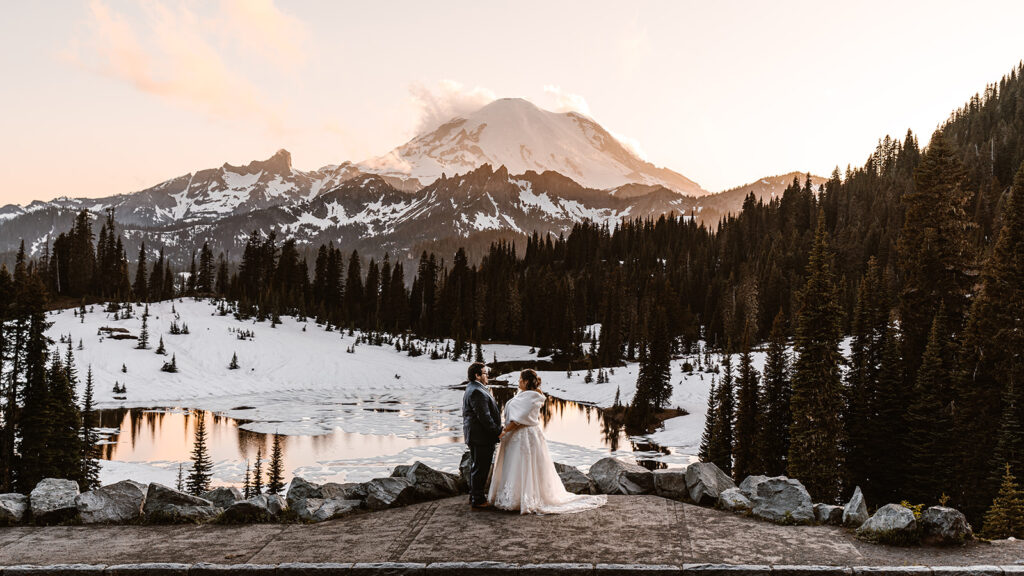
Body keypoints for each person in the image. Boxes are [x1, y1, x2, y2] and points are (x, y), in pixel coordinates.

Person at [488, 369, 607, 514]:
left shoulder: (531, 397)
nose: (518, 381)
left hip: (523, 436)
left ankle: (524, 498)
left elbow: (519, 419)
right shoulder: (527, 395)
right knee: (516, 465)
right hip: (521, 436)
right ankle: (514, 496)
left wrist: (504, 431)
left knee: (523, 464)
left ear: (526, 381)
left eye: (520, 379)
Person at [462, 361, 501, 508]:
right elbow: (484, 417)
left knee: (477, 466)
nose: (487, 376)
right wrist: (498, 431)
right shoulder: (477, 391)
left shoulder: (473, 388)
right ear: (477, 375)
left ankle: (474, 496)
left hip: (477, 436)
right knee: (480, 468)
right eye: (485, 373)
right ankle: (478, 500)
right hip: (481, 437)